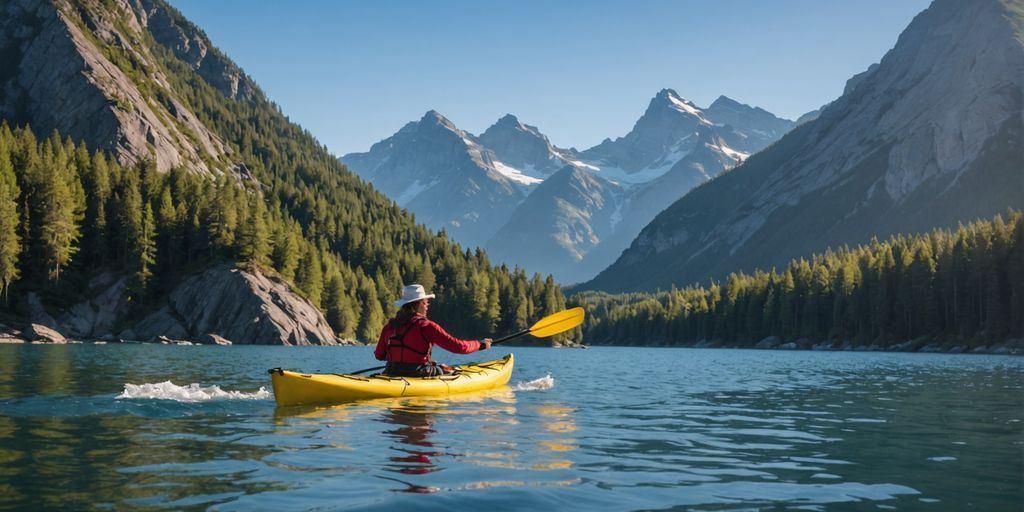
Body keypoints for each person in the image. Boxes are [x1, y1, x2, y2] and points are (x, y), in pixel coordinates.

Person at [374, 284, 492, 377]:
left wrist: (400, 357)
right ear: (420, 303)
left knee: (440, 367)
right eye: (426, 302)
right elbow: (459, 347)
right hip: (418, 373)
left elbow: (379, 355)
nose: (427, 305)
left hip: (391, 372)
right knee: (444, 369)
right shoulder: (426, 326)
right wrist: (480, 344)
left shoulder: (390, 326)